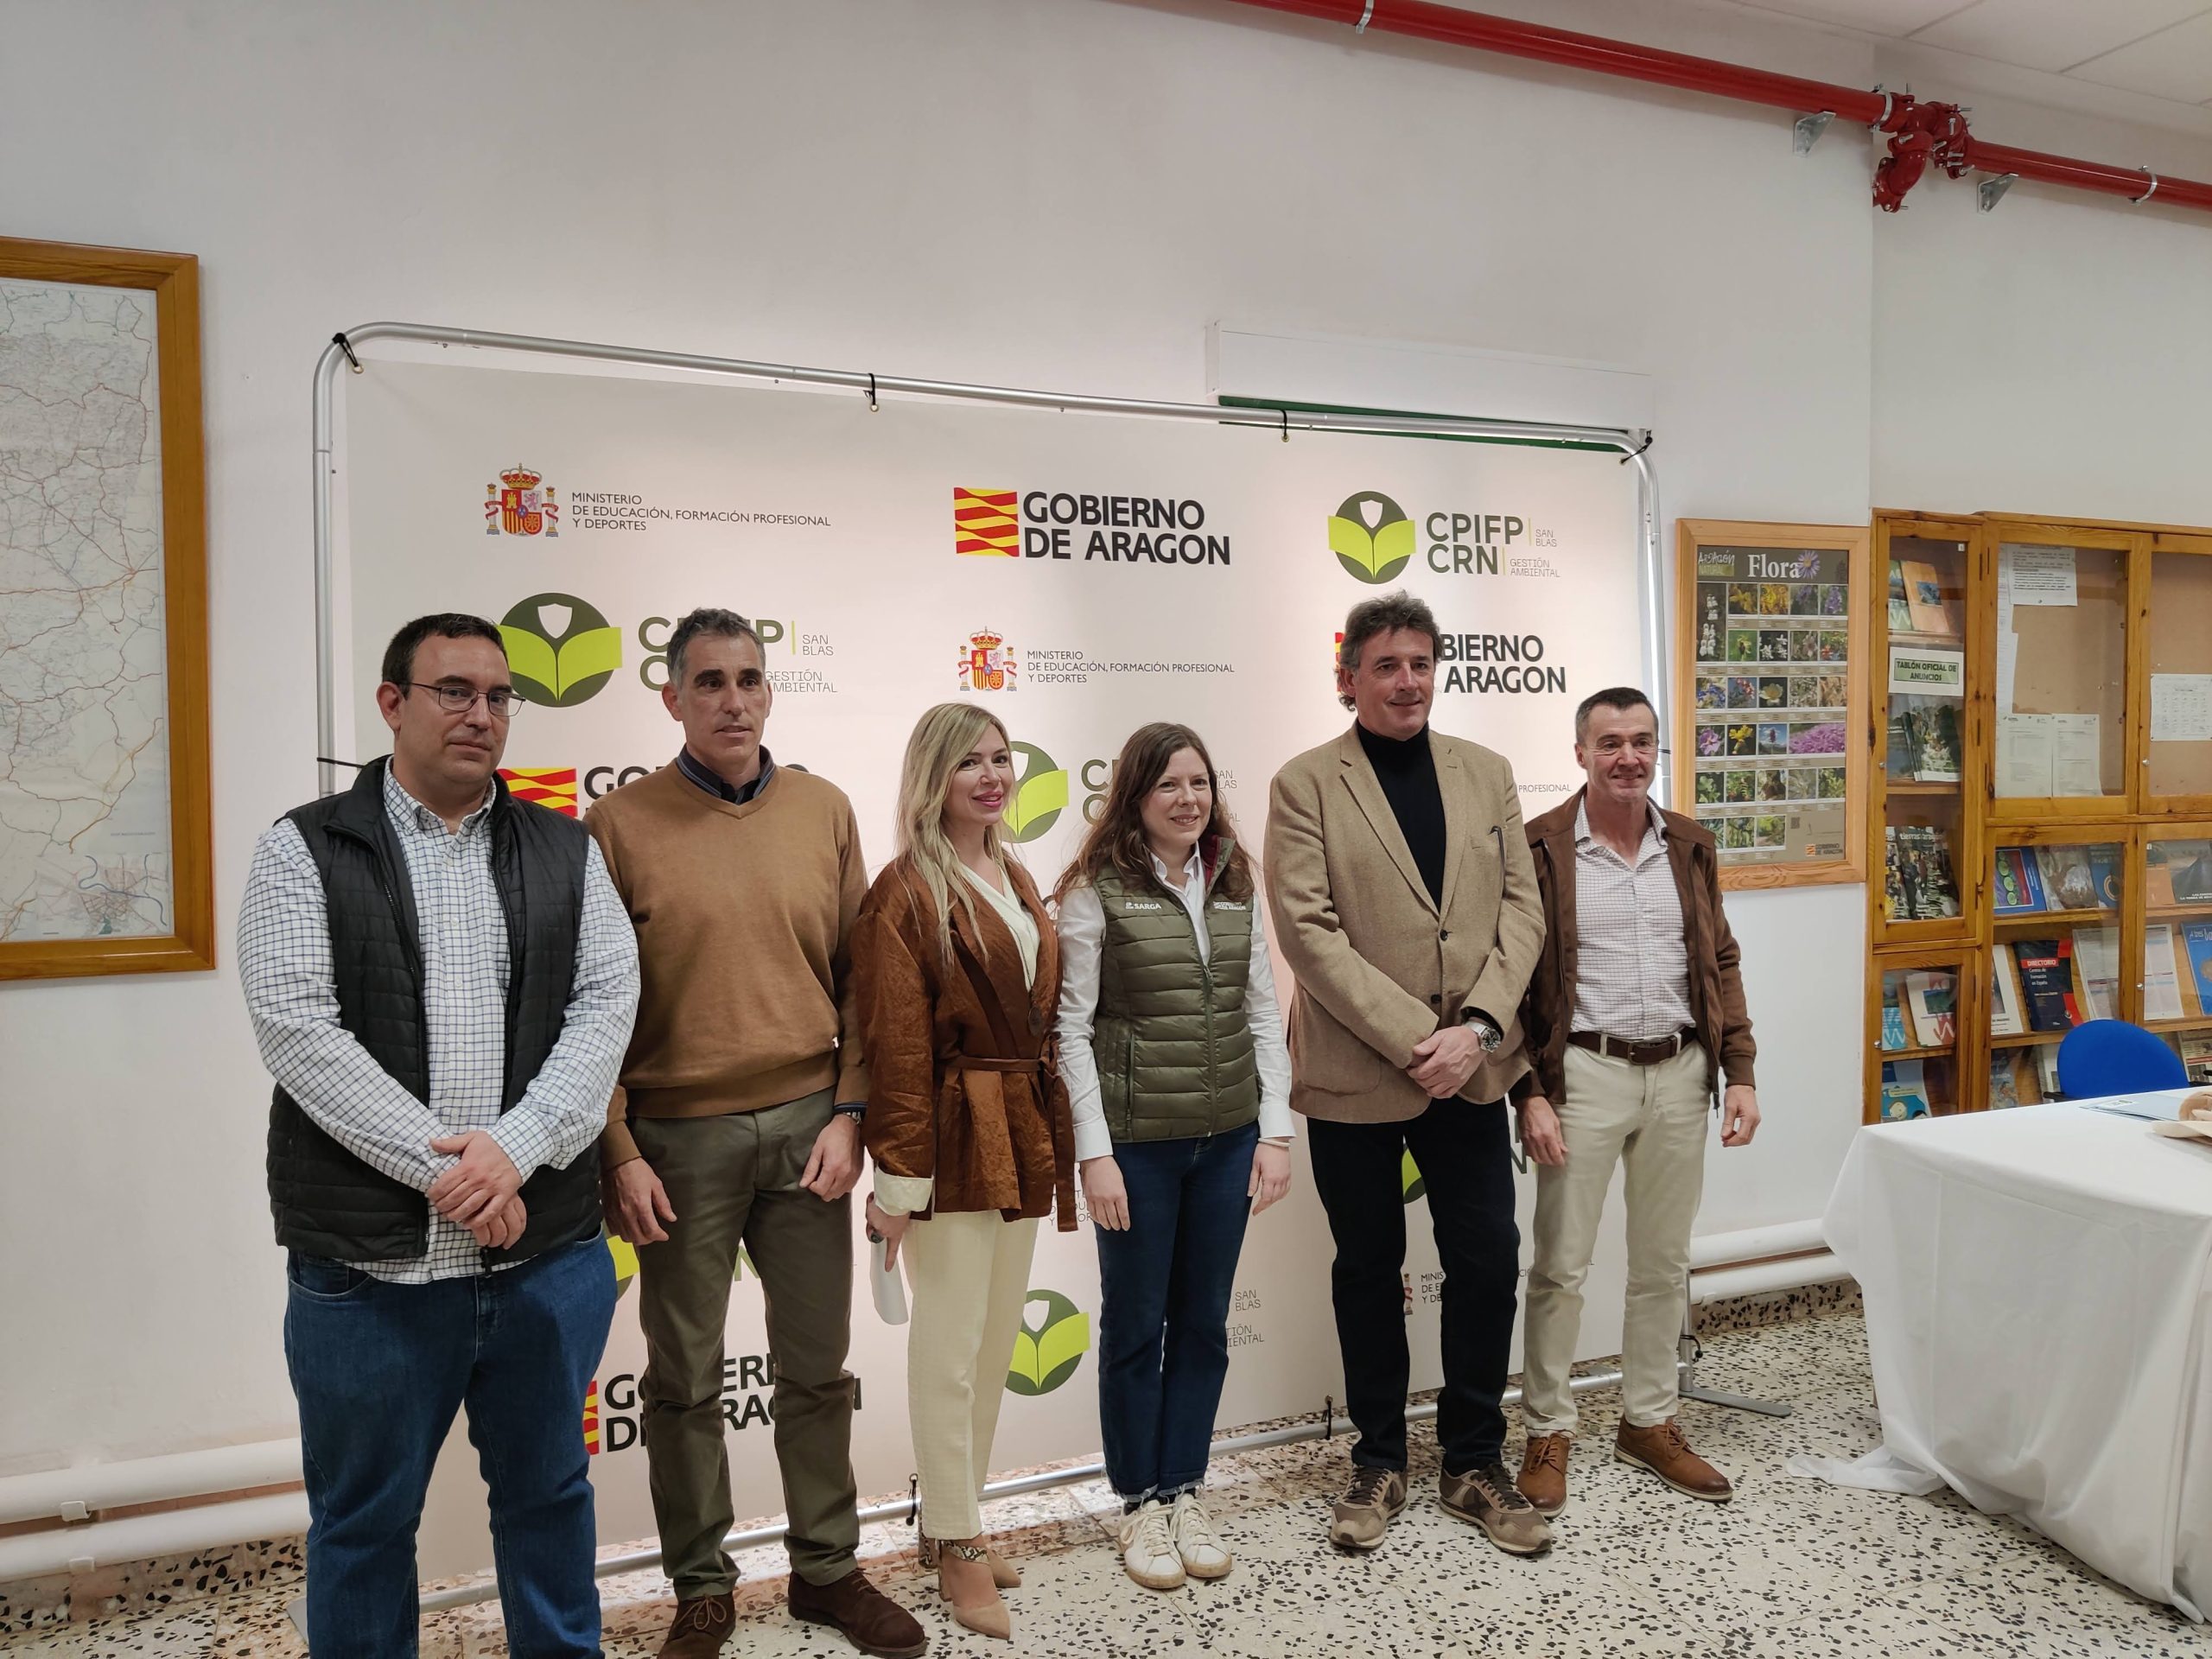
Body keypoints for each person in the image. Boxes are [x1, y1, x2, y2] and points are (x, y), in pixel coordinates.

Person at [238, 613, 640, 1658]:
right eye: (453, 691)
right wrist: (459, 1172)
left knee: (550, 1499)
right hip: (370, 1273)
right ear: (392, 704)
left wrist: (518, 1149)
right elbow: (299, 1032)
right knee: (366, 1526)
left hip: (544, 1252)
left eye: (499, 696)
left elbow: (606, 1009)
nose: (482, 715)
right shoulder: (305, 845)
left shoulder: (565, 845)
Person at [585, 609, 923, 1659]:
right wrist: (619, 1151)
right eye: (709, 681)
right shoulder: (617, 826)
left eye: (749, 679)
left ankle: (826, 1570)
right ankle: (701, 1589)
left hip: (807, 1132)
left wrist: (853, 1112)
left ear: (770, 692)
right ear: (672, 698)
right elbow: (586, 1008)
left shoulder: (823, 809)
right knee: (682, 1379)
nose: (733, 699)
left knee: (815, 1367)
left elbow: (859, 982)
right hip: (674, 1141)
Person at [1265, 591, 1549, 1558]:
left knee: (1486, 1262)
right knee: (1365, 1271)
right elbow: (1307, 931)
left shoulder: (1487, 773)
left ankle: (1473, 1460)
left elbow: (1523, 913)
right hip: (1359, 1072)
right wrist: (1412, 1037)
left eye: (1420, 663)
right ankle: (1377, 1461)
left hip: (1470, 1069)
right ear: (1346, 677)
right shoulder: (1305, 783)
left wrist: (1472, 1030)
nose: (1406, 682)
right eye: (1384, 666)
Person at [854, 702, 1077, 1644]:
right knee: (947, 1353)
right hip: (947, 1136)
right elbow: (897, 1048)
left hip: (1019, 1126)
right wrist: (900, 1185)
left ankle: (958, 1527)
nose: (990, 777)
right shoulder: (902, 891)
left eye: (1000, 759)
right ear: (930, 779)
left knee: (990, 1347)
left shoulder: (1014, 873)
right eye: (967, 764)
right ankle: (956, 1541)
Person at [1052, 722, 1294, 1591]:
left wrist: (1273, 1132)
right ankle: (1138, 1505)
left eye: (1199, 782)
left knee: (1202, 1325)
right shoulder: (1094, 890)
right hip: (1137, 1149)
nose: (1188, 799)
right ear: (1134, 797)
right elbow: (1070, 1031)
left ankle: (1185, 1488)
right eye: (1168, 786)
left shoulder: (1233, 875)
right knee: (1133, 1327)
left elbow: (1262, 1007)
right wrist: (1095, 1154)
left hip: (1227, 1139)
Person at [1511, 687, 1759, 1517]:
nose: (1629, 757)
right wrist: (1529, 1093)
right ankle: (1548, 1426)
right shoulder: (1540, 847)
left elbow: (1720, 959)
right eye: (1610, 742)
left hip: (1682, 1074)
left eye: (1643, 741)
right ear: (1580, 752)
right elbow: (1508, 980)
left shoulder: (1689, 843)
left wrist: (1742, 1071)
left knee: (1663, 1264)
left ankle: (1649, 1418)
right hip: (1582, 1075)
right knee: (1560, 1267)